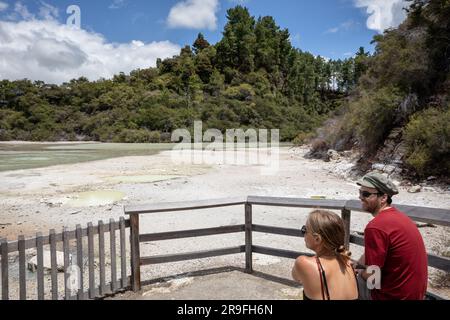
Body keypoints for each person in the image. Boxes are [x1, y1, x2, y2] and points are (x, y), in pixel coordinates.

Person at [355, 171, 428, 300]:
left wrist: (359, 271)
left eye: (366, 194)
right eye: (360, 192)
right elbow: (372, 255)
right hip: (415, 294)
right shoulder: (400, 218)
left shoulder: (376, 227)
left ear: (383, 198)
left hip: (393, 296)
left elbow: (373, 280)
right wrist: (358, 264)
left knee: (349, 281)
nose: (360, 197)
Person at [292, 210, 359, 300]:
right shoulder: (348, 263)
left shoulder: (304, 263)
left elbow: (296, 277)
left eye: (305, 230)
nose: (303, 233)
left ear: (317, 239)